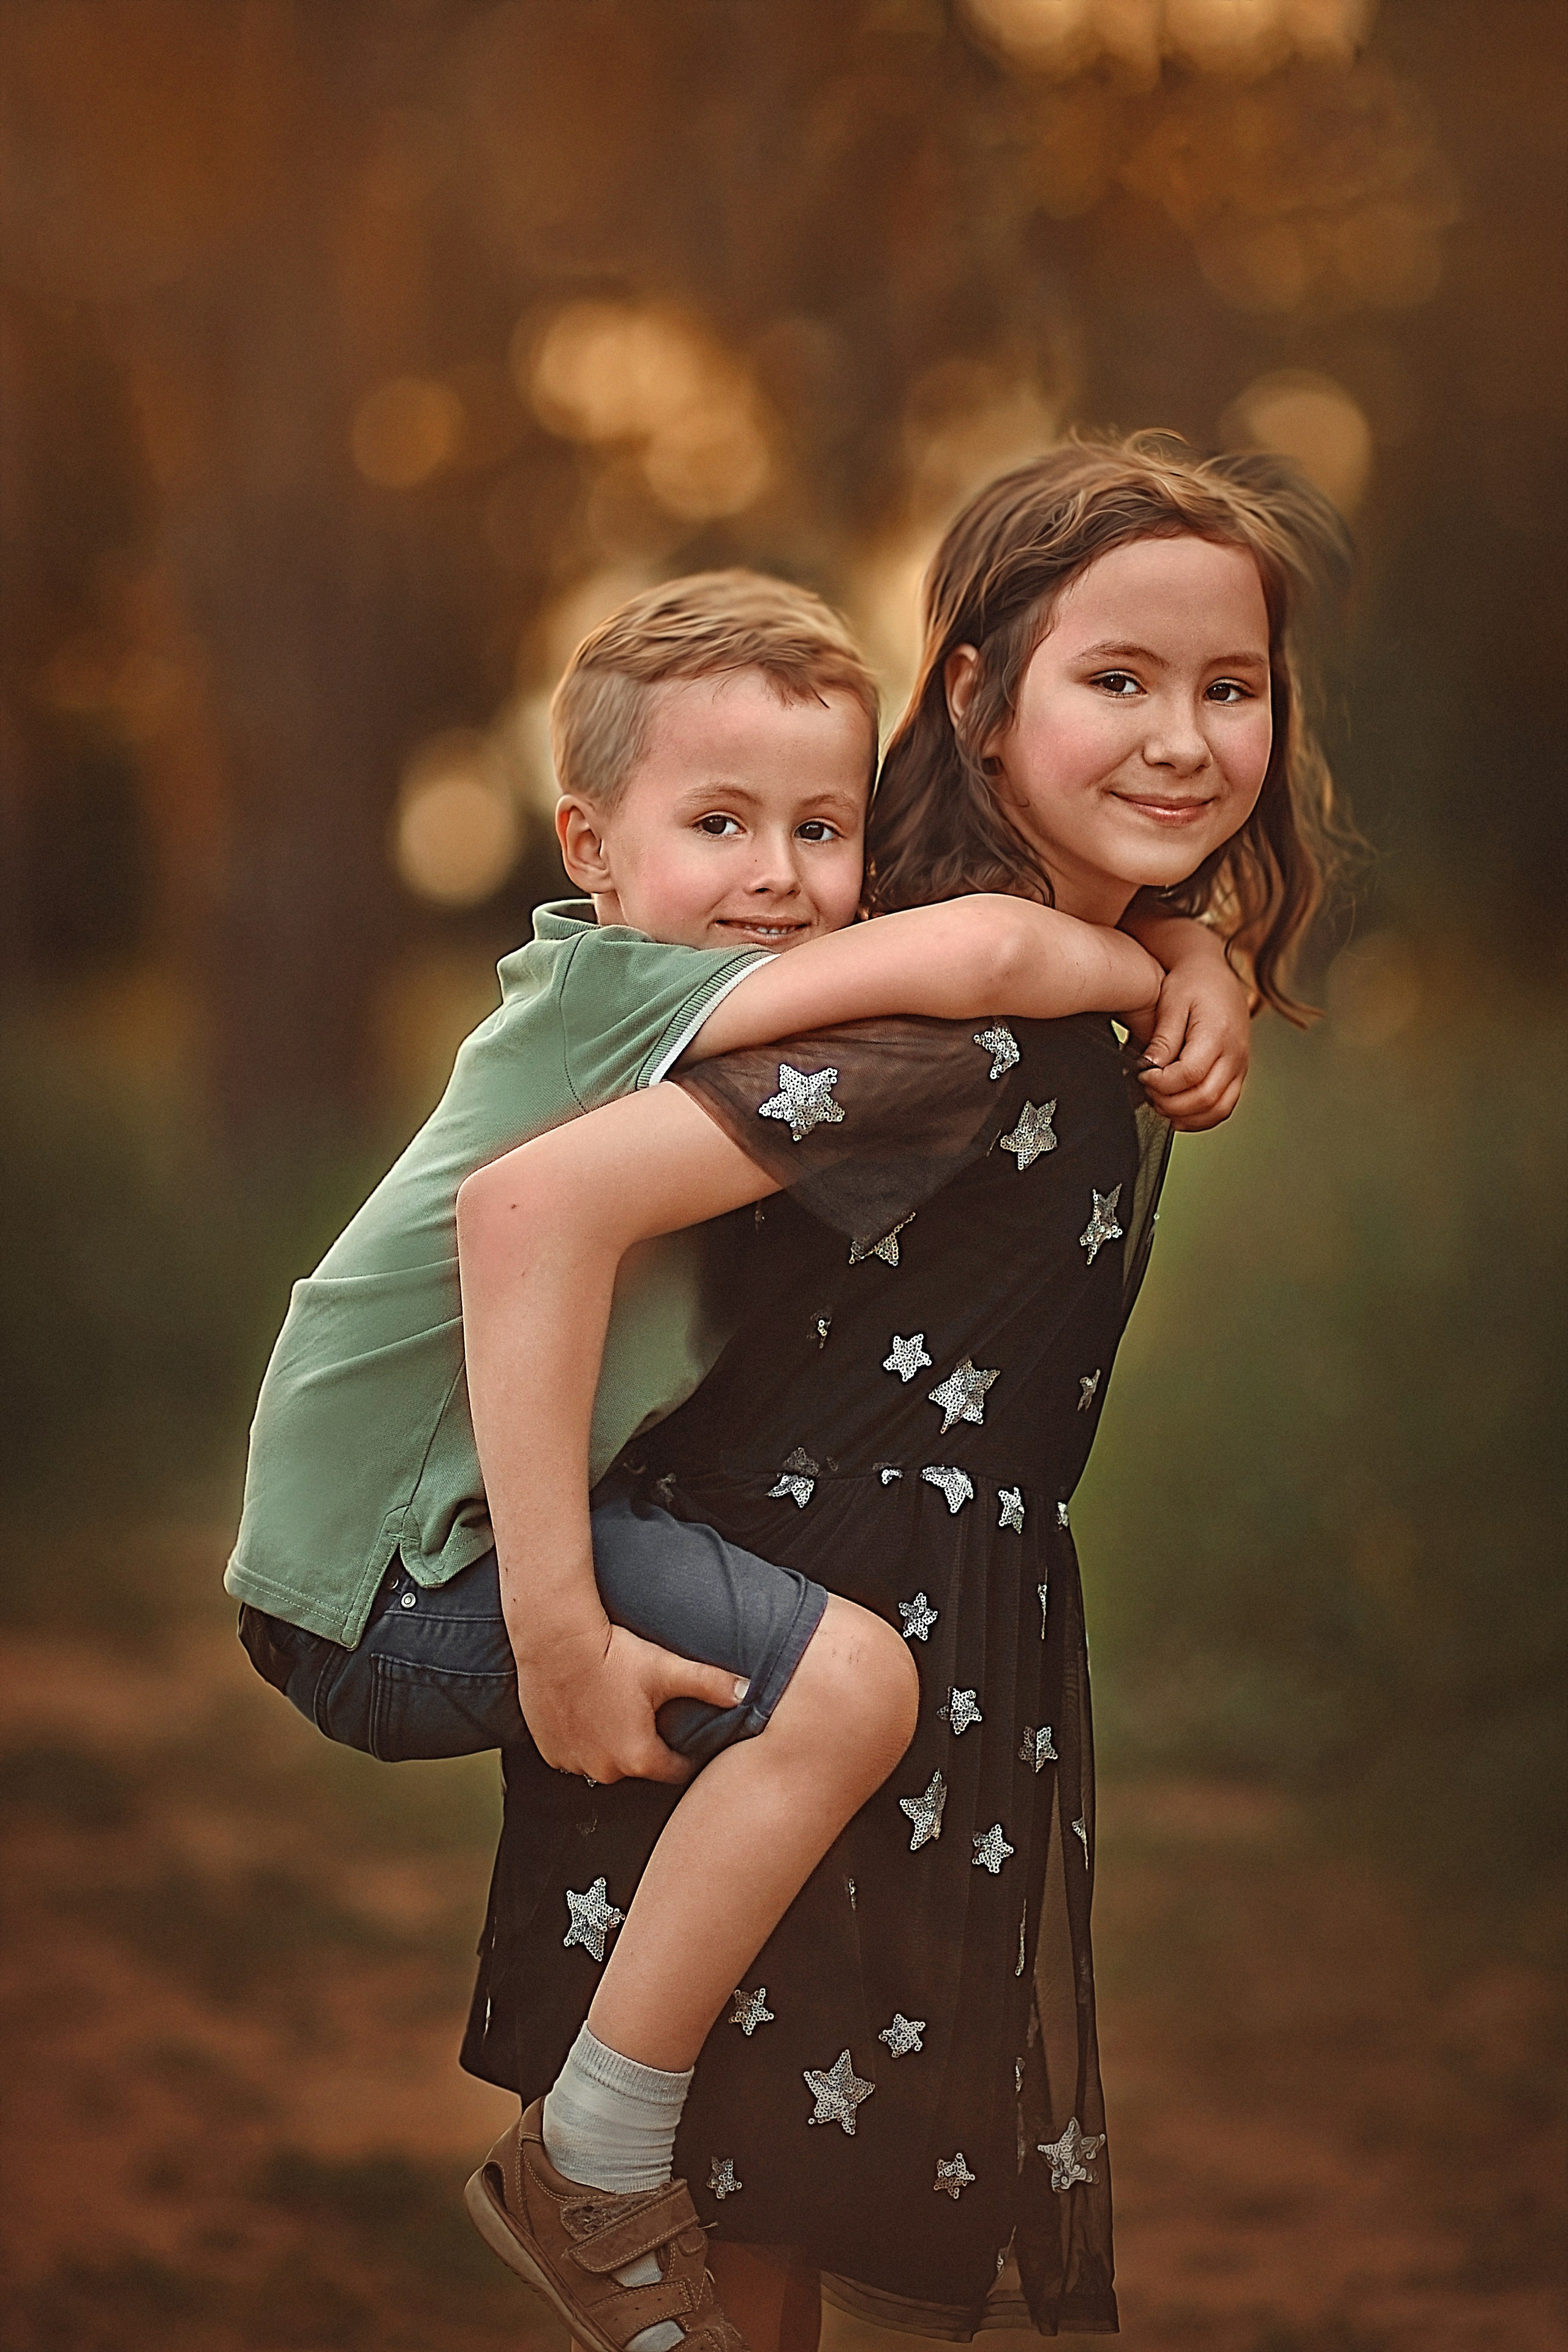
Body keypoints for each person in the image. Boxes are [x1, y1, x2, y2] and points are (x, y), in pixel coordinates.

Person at [454, 435, 1351, 2351]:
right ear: (976, 692)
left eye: (1232, 687)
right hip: (790, 1633)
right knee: (742, 2262)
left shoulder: (1054, 971)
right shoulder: (936, 1021)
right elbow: (543, 1206)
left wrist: (1178, 940)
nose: (1184, 738)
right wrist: (551, 1623)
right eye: (1117, 681)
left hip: (950, 1647)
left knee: (809, 2240)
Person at [227, 570, 1240, 1795]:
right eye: (717, 825)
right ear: (589, 846)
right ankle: (636, 2003)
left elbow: (951, 936)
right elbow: (987, 949)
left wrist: (1189, 940)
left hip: (408, 1551)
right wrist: (1172, 975)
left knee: (830, 1679)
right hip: (382, 1586)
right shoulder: (614, 986)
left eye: (817, 829)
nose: (775, 876)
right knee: (847, 1691)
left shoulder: (736, 972)